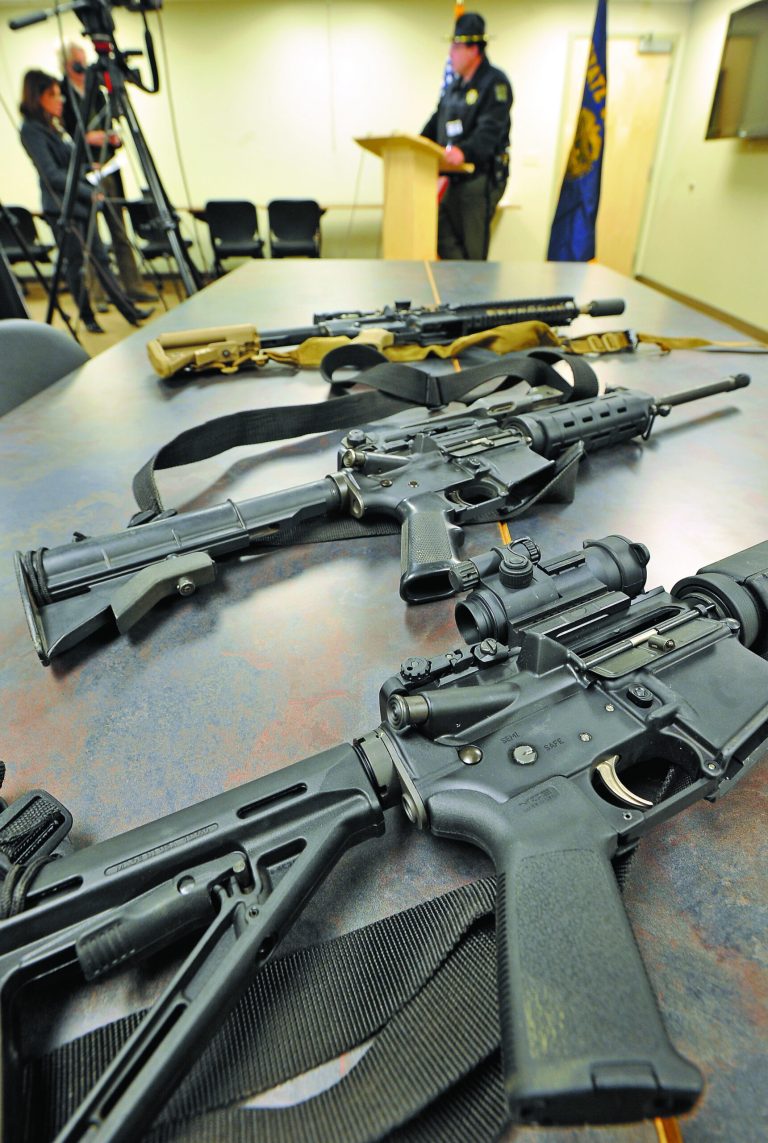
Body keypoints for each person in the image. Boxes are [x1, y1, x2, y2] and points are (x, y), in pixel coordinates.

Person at [59, 41, 155, 305]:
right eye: (79, 61)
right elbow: (63, 135)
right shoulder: (62, 94)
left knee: (119, 231)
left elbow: (112, 124)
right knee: (90, 236)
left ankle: (133, 287)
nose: (84, 65)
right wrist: (86, 138)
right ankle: (98, 294)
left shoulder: (98, 92)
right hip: (83, 172)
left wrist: (112, 139)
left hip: (109, 168)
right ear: (68, 64)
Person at [19, 69, 112, 332]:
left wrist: (87, 170)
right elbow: (53, 175)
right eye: (53, 95)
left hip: (81, 203)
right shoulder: (32, 130)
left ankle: (127, 307)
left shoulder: (56, 126)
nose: (60, 100)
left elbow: (70, 166)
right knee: (75, 263)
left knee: (101, 256)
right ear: (37, 97)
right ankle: (87, 316)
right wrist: (88, 191)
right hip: (60, 207)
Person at [421, 12, 512, 260]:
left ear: (474, 50)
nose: (451, 52)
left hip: (479, 178)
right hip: (453, 178)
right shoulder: (454, 87)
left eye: (456, 46)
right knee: (441, 234)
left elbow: (490, 130)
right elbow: (435, 123)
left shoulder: (494, 83)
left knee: (473, 253)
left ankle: (472, 289)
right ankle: (460, 287)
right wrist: (418, 146)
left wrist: (464, 151)